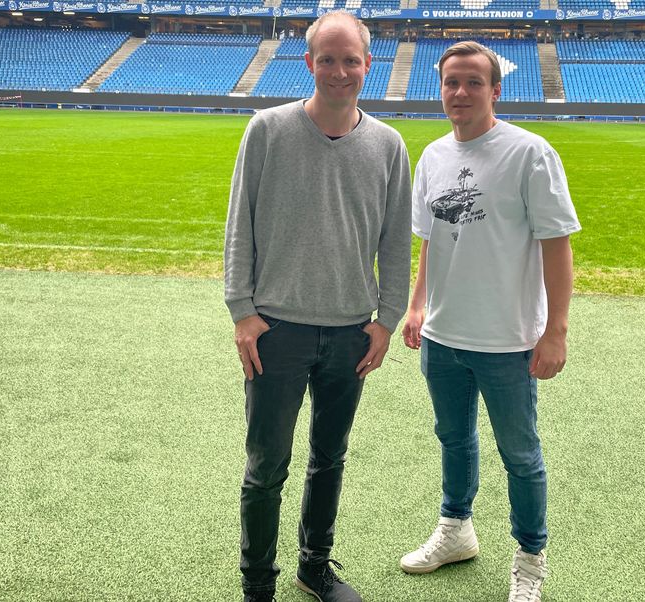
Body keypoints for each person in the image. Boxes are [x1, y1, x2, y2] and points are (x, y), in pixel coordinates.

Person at [224, 11, 411, 602]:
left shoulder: (387, 144)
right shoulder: (267, 129)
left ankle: (314, 565)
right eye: (326, 59)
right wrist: (242, 310)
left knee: (329, 458)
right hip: (277, 329)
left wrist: (387, 320)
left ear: (366, 65)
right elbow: (240, 226)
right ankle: (258, 581)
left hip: (351, 332)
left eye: (349, 59)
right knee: (266, 467)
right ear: (308, 63)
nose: (339, 71)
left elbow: (396, 242)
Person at [399, 41, 581, 602]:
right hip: (442, 335)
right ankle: (456, 530)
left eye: (473, 82)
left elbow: (556, 244)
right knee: (454, 439)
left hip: (507, 339)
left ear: (495, 90)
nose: (460, 92)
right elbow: (431, 240)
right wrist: (416, 303)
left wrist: (555, 330)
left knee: (521, 455)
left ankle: (530, 557)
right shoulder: (432, 156)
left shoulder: (529, 153)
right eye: (452, 82)